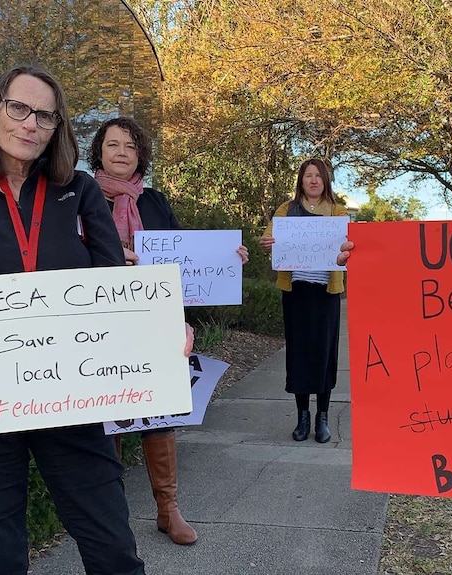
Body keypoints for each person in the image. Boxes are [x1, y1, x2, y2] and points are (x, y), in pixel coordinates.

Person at [0, 65, 151, 574]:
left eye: (45, 115)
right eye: (19, 108)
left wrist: (158, 332)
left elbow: (116, 291)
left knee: (114, 551)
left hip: (71, 398)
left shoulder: (81, 191)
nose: (30, 124)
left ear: (57, 127)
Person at [87, 116, 249, 545]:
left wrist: (228, 259)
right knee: (110, 416)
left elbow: (188, 258)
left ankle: (168, 509)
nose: (121, 152)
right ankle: (112, 515)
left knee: (157, 415)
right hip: (99, 324)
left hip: (153, 320)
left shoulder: (155, 202)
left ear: (140, 155)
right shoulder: (80, 199)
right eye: (113, 144)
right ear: (99, 152)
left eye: (130, 146)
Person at [259, 158, 348, 443]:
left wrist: (347, 252)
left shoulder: (337, 211)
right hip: (296, 292)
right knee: (298, 354)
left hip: (326, 294)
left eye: (317, 176)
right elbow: (267, 238)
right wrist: (267, 242)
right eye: (307, 176)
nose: (312, 180)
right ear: (300, 180)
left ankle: (322, 416)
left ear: (325, 181)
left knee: (324, 354)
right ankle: (302, 417)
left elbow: (350, 248)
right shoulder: (287, 210)